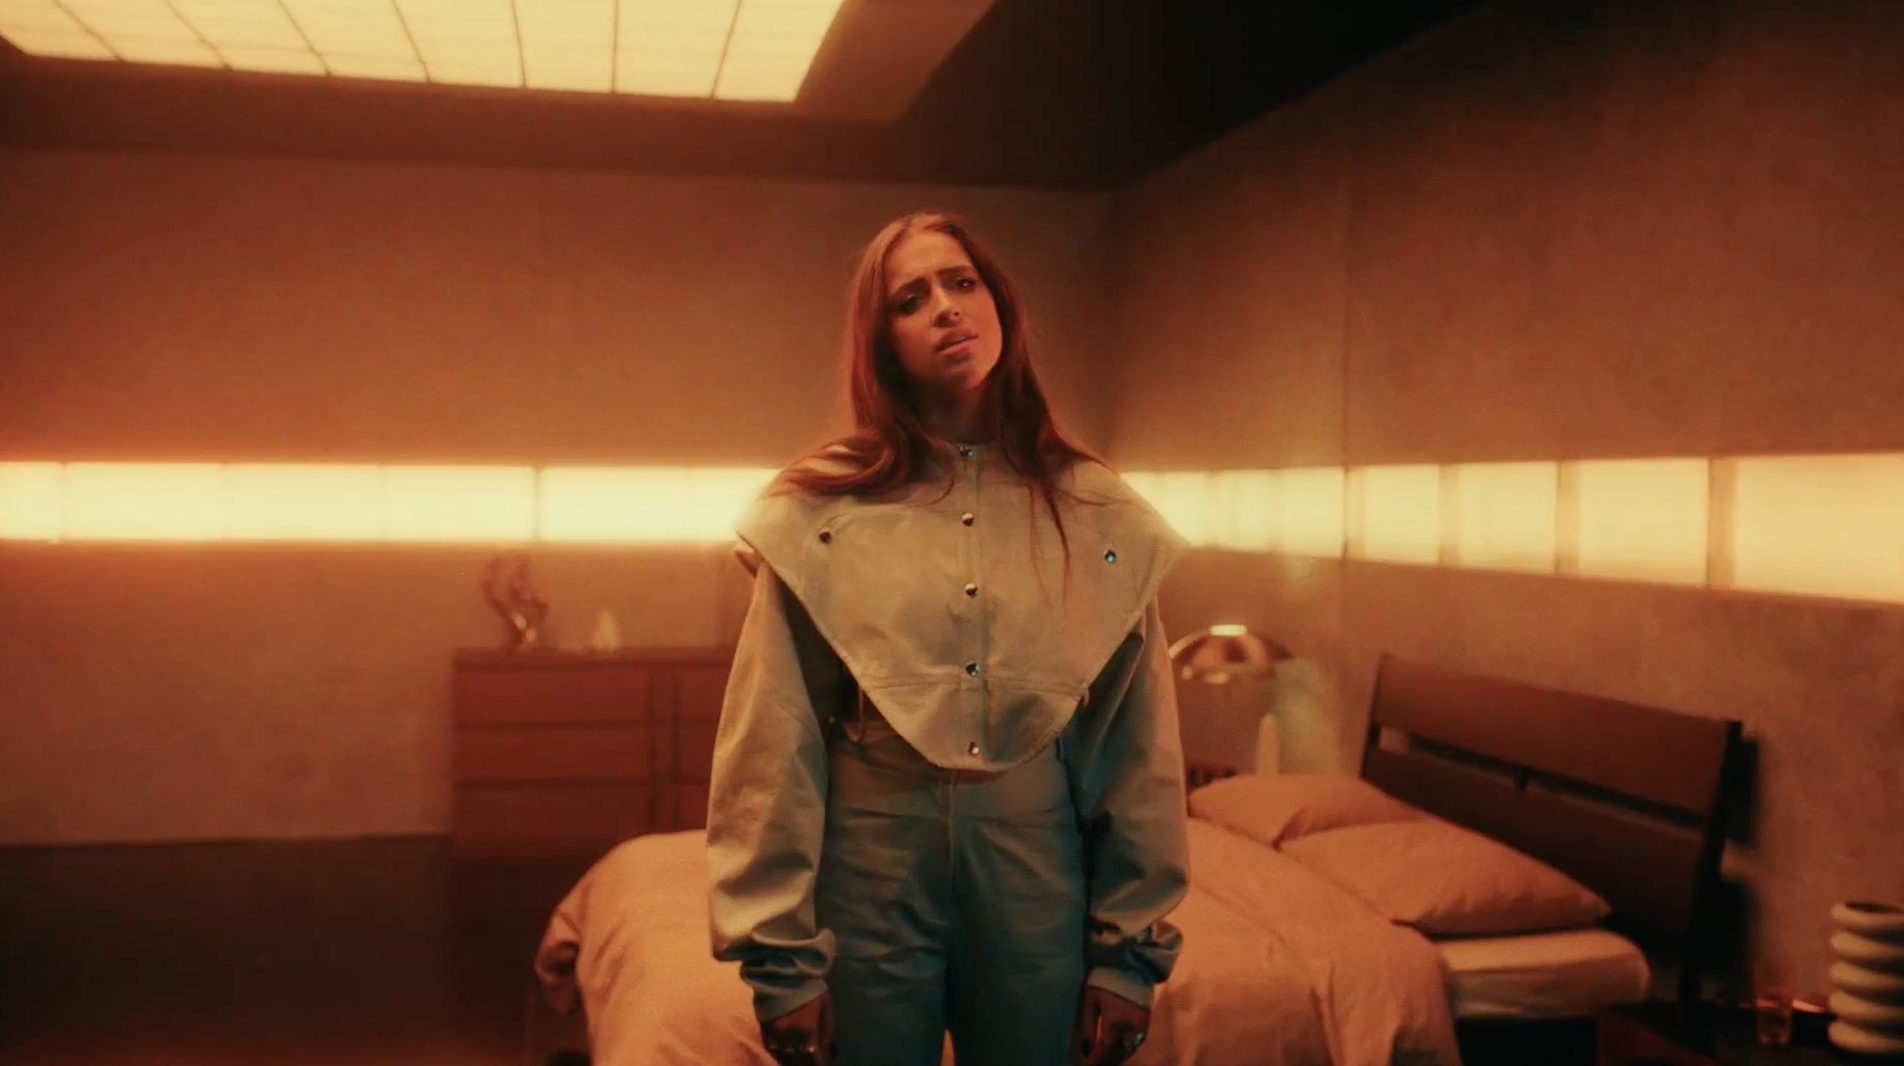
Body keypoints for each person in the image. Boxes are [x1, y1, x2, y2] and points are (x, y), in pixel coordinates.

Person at [705, 210, 1191, 1066]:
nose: (944, 308)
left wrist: (1129, 953)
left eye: (961, 283)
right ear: (882, 340)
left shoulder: (1097, 512)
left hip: (1034, 861)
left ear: (999, 303)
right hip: (869, 856)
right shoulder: (821, 512)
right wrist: (780, 961)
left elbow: (1135, 742)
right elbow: (771, 739)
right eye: (910, 299)